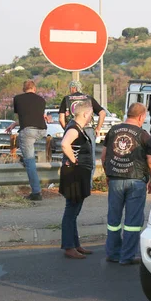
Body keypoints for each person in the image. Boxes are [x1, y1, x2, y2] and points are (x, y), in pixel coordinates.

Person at [102, 103, 151, 265]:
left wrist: (108, 175)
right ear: (141, 117)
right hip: (136, 182)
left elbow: (104, 157)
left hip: (115, 180)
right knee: (133, 222)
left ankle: (113, 253)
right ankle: (127, 256)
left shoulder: (113, 131)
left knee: (113, 220)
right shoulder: (144, 135)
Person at [59, 100, 94, 259]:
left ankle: (75, 244)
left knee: (74, 211)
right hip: (74, 174)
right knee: (71, 211)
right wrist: (74, 161)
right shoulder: (74, 128)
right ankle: (68, 246)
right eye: (91, 114)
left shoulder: (78, 127)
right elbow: (65, 144)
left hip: (78, 173)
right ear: (85, 114)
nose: (91, 116)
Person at [6, 80, 47, 201]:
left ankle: (36, 192)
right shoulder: (41, 100)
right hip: (42, 130)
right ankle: (25, 158)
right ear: (34, 89)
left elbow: (24, 117)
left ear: (24, 89)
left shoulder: (18, 99)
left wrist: (16, 123)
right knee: (23, 139)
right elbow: (32, 117)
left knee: (30, 161)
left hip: (28, 131)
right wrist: (15, 124)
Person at [59, 80, 106, 182]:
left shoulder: (66, 99)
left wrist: (67, 130)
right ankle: (87, 184)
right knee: (90, 158)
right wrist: (98, 128)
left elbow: (61, 119)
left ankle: (71, 182)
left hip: (72, 128)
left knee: (70, 157)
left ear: (73, 88)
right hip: (88, 130)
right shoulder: (88, 99)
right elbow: (102, 113)